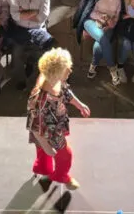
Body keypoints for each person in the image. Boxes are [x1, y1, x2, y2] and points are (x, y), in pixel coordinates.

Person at [26, 47, 90, 189]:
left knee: (42, 150)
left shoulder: (55, 80)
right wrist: (47, 146)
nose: (70, 71)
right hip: (48, 130)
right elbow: (34, 125)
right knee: (65, 154)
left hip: (55, 122)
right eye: (67, 69)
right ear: (56, 73)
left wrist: (79, 105)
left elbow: (66, 92)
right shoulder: (40, 99)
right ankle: (60, 175)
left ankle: (42, 167)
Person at [73, 0, 125, 84]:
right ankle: (113, 69)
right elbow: (89, 11)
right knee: (103, 39)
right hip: (91, 21)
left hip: (107, 25)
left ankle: (93, 65)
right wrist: (100, 17)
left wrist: (112, 23)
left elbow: (117, 15)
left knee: (99, 46)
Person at [9, 0, 53, 90]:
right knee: (16, 54)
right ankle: (21, 80)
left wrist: (23, 12)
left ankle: (38, 82)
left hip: (38, 29)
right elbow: (14, 15)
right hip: (21, 30)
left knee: (43, 54)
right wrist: (34, 12)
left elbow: (42, 18)